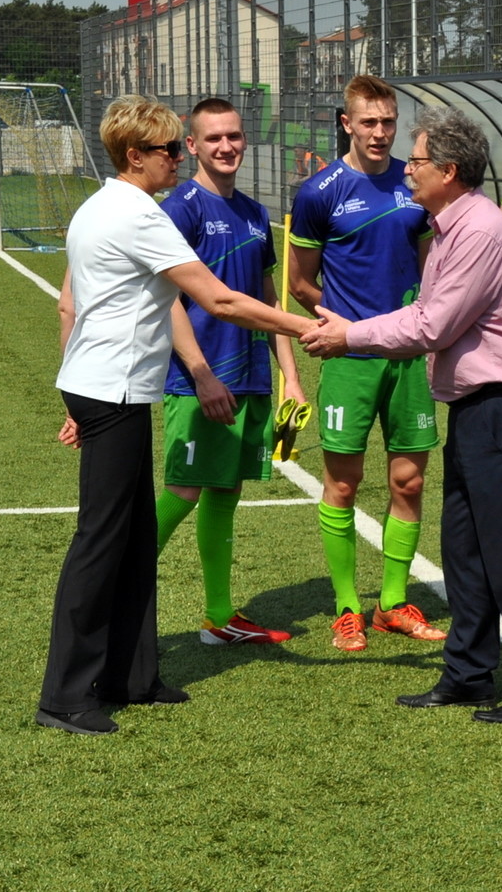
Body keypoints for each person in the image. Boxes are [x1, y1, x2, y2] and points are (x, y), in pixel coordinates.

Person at [40, 94, 316, 735]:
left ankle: (132, 676)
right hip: (111, 393)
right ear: (135, 156)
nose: (176, 158)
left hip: (111, 390)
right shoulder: (140, 214)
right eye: (168, 149)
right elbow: (220, 300)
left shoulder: (105, 204)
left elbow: (72, 306)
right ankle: (65, 696)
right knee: (100, 544)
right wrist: (305, 329)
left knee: (136, 537)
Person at [302, 106, 502, 724]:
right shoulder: (453, 225)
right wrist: (357, 329)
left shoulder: (478, 231)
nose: (409, 169)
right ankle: (469, 674)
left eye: (419, 160)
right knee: (465, 550)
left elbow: (433, 324)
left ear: (449, 171)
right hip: (478, 410)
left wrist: (351, 335)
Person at [289, 75, 444, 652]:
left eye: (388, 122)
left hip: (407, 356)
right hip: (350, 357)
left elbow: (432, 268)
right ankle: (347, 608)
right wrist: (344, 325)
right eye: (369, 122)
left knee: (410, 480)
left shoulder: (415, 182)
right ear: (346, 124)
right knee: (343, 482)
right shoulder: (318, 193)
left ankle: (394, 603)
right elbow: (300, 283)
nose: (380, 133)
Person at [154, 98, 306, 645]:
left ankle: (219, 617)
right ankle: (112, 601)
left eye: (234, 136)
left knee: (225, 492)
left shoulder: (256, 213)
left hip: (250, 378)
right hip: (199, 380)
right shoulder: (181, 208)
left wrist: (290, 376)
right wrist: (201, 374)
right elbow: (166, 300)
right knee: (183, 490)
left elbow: (266, 298)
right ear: (192, 145)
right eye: (214, 138)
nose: (226, 147)